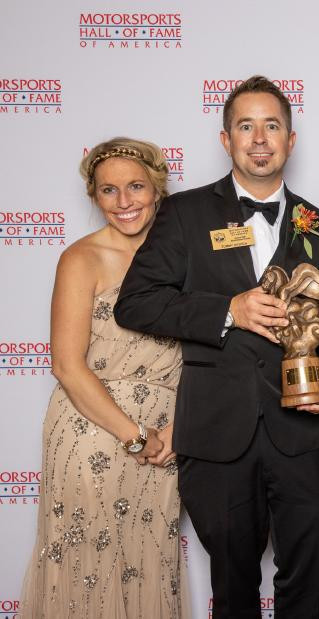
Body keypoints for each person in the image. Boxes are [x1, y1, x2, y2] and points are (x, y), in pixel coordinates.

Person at [114, 76, 319, 618]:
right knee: (232, 590)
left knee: (303, 589)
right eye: (247, 126)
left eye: (273, 126)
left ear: (291, 140)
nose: (260, 138)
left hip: (302, 434)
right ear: (226, 140)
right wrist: (227, 311)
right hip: (218, 433)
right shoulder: (187, 213)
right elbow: (136, 303)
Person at [20, 138, 185, 617]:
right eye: (108, 191)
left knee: (149, 566)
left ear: (158, 187)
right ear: (94, 196)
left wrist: (182, 427)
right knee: (86, 571)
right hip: (91, 434)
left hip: (165, 440)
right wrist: (134, 436)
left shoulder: (185, 258)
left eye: (135, 186)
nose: (124, 202)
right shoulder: (82, 258)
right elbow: (66, 366)